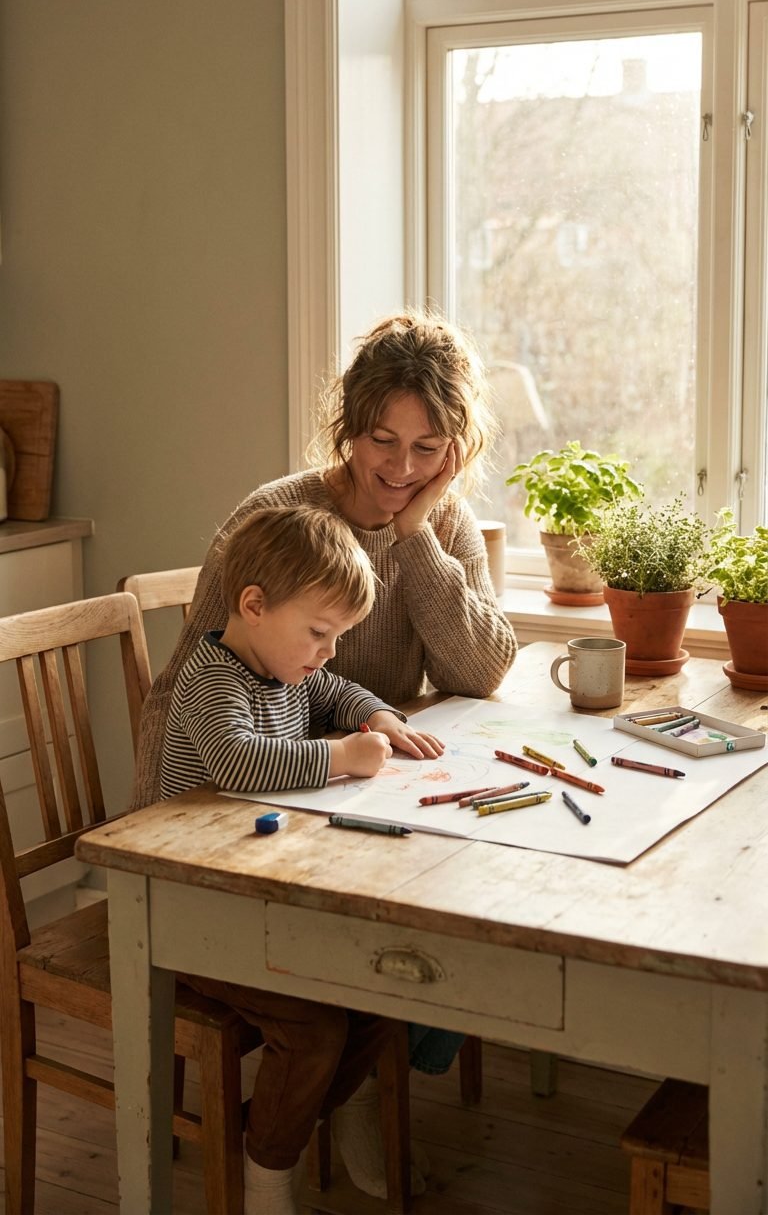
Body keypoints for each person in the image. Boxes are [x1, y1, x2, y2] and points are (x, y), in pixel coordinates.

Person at [134, 311, 517, 1085]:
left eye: (427, 448)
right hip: (242, 791)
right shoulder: (283, 517)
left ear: (455, 451)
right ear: (348, 424)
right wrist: (160, 832)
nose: (402, 466)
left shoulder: (442, 523)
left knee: (474, 891)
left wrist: (414, 535)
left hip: (349, 782)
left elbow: (481, 671)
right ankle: (346, 1093)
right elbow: (196, 684)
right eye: (383, 439)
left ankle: (365, 1081)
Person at [163, 504, 440, 1215]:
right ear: (254, 606)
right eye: (320, 633)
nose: (328, 653)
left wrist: (376, 716)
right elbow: (237, 758)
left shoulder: (287, 669)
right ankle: (266, 1174)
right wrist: (341, 757)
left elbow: (337, 691)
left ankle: (276, 1124)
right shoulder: (214, 678)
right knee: (315, 1029)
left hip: (260, 894)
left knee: (382, 1004)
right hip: (194, 909)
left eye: (338, 636)